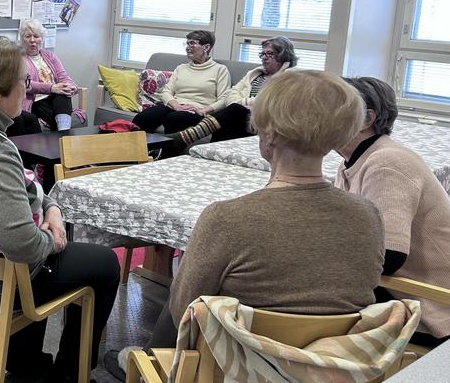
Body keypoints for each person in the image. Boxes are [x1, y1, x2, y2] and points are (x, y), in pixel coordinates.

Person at [108, 71, 384, 377]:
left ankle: (142, 364)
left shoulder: (225, 218)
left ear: (269, 135)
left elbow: (182, 312)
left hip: (235, 369)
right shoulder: (368, 214)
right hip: (330, 370)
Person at [0, 36, 120, 382]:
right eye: (24, 81)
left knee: (46, 257)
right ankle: (69, 374)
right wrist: (52, 239)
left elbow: (24, 185)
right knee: (104, 263)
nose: (27, 88)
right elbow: (21, 245)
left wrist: (51, 208)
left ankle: (26, 363)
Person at [336, 77, 450, 347]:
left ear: (366, 119)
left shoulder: (387, 162)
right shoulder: (351, 161)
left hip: (433, 307)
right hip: (400, 290)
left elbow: (388, 257)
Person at [173, 36, 296, 147]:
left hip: (265, 121)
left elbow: (270, 102)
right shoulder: (254, 74)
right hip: (242, 117)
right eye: (262, 54)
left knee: (235, 110)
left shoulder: (290, 77)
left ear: (283, 55)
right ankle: (207, 153)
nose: (264, 57)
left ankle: (186, 137)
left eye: (269, 54)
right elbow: (230, 94)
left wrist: (243, 104)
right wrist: (246, 105)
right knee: (227, 122)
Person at [131, 30, 230, 134]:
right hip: (176, 106)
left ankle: (168, 145)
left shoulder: (220, 69)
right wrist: (177, 106)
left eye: (192, 43)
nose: (187, 47)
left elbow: (224, 99)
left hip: (198, 110)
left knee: (173, 119)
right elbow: (166, 91)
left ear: (206, 47)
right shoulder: (181, 68)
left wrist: (203, 111)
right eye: (187, 43)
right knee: (142, 118)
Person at [19, 18, 79, 131]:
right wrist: (51, 88)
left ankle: (63, 130)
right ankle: (64, 133)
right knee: (54, 99)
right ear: (22, 39)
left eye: (36, 36)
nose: (32, 40)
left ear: (41, 39)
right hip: (34, 101)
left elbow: (64, 77)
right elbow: (25, 84)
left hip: (54, 99)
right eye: (28, 36)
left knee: (63, 94)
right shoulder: (18, 58)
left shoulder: (50, 56)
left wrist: (71, 87)